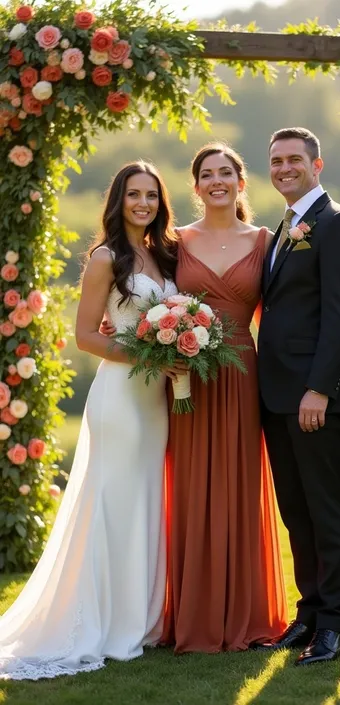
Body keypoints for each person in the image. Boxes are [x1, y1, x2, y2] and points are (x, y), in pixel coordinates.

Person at [0, 161, 181, 680]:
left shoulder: (162, 255)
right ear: (118, 201)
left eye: (151, 195)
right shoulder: (106, 257)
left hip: (155, 404)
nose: (143, 203)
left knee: (145, 501)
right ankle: (102, 623)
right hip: (121, 398)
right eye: (133, 195)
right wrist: (150, 355)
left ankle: (142, 622)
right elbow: (87, 337)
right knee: (113, 504)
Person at [161, 142, 288, 654]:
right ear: (195, 187)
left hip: (242, 376)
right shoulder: (173, 241)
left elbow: (283, 313)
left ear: (241, 180)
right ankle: (191, 614)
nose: (217, 181)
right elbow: (144, 296)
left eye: (226, 172)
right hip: (188, 376)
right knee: (189, 487)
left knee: (239, 485)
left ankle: (244, 613)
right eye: (207, 174)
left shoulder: (264, 239)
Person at [256, 127, 340, 665]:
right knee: (295, 510)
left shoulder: (336, 223)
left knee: (324, 508)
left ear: (317, 165)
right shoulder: (285, 226)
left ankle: (337, 626)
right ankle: (309, 614)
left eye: (294, 159)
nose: (283, 168)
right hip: (275, 396)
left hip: (312, 397)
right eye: (276, 161)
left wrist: (320, 388)